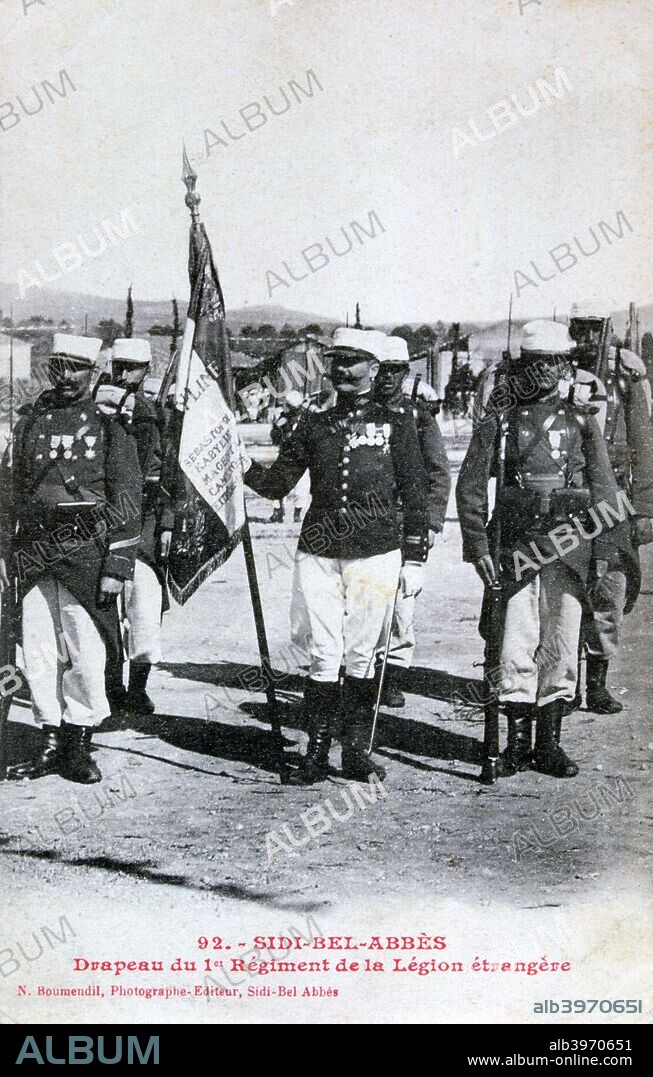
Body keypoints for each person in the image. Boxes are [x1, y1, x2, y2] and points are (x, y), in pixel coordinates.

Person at [242, 327, 429, 784]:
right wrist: (240, 463)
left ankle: (356, 753)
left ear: (374, 368)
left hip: (376, 550)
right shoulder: (313, 424)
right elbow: (277, 485)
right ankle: (316, 753)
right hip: (320, 552)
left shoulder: (398, 422)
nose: (343, 370)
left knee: (363, 654)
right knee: (324, 653)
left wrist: (416, 555)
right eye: (336, 361)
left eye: (353, 361)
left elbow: (415, 490)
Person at [456, 321, 620, 779]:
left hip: (569, 546)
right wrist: (477, 542)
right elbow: (471, 484)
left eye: (554, 362)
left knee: (563, 643)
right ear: (522, 367)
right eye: (535, 363)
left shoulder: (582, 419)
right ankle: (515, 744)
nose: (545, 371)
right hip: (515, 544)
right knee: (516, 642)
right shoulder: (500, 419)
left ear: (566, 366)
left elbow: (604, 488)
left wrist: (605, 547)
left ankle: (549, 744)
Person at [0, 334, 142, 783]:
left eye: (74, 368)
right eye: (56, 367)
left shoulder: (109, 424)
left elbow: (127, 497)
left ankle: (79, 742)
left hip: (86, 552)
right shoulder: (29, 423)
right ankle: (49, 739)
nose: (63, 376)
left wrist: (117, 565)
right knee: (39, 650)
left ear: (94, 372)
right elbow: (8, 491)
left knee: (85, 647)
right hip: (34, 552)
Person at [568, 302, 653, 713]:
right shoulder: (555, 371)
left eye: (592, 329)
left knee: (610, 588)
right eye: (577, 329)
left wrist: (645, 508)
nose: (585, 339)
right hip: (569, 497)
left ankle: (597, 682)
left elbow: (643, 445)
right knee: (564, 589)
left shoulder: (627, 375)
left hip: (615, 498)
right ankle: (562, 684)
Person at [94, 337, 174, 715]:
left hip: (143, 522)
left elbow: (167, 474)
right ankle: (111, 687)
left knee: (144, 607)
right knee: (104, 608)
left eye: (133, 367)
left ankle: (138, 687)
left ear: (146, 370)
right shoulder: (92, 406)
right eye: (119, 365)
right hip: (100, 522)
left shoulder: (155, 413)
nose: (124, 374)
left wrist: (168, 525)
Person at [373, 334, 451, 706]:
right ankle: (360, 675)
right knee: (363, 600)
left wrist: (432, 522)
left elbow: (438, 472)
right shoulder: (360, 414)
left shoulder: (418, 417)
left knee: (401, 605)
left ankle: (391, 675)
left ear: (405, 373)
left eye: (394, 371)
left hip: (409, 523)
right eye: (381, 371)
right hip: (368, 523)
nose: (386, 379)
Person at [269, 390, 311, 524]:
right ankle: (277, 511)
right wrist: (277, 428)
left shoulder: (308, 419)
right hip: (285, 457)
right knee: (278, 483)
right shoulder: (282, 419)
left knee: (302, 488)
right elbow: (275, 439)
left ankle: (297, 513)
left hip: (302, 458)